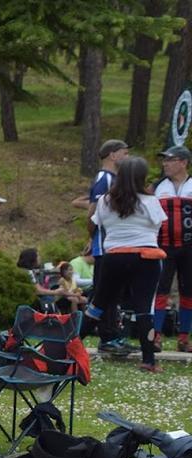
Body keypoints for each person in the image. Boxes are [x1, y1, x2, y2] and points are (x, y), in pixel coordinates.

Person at [86, 156, 167, 372]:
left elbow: (95, 223)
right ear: (142, 177)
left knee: (98, 305)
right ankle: (148, 360)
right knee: (144, 309)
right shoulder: (151, 201)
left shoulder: (105, 201)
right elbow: (159, 225)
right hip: (146, 258)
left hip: (114, 257)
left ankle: (68, 346)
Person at [76, 139, 130, 347]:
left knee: (111, 291)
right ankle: (106, 335)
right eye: (124, 153)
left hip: (114, 244)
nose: (127, 158)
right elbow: (93, 210)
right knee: (104, 291)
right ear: (112, 155)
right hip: (105, 244)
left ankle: (110, 333)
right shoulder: (104, 178)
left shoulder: (116, 178)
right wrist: (93, 235)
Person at [152, 145, 192, 352]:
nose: (165, 164)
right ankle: (156, 336)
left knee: (189, 292)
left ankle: (184, 338)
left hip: (189, 248)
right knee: (160, 290)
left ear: (183, 162)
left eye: (170, 160)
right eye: (164, 160)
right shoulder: (158, 186)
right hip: (163, 246)